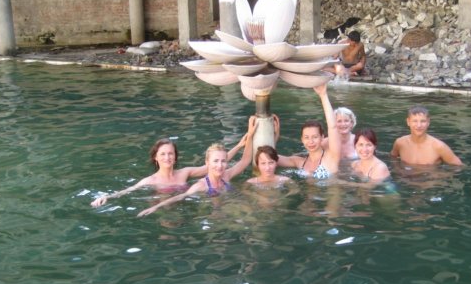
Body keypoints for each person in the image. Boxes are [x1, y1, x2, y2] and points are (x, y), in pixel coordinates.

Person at [137, 117, 257, 217]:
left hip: (229, 208)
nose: (219, 165)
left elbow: (245, 160)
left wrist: (250, 135)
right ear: (207, 163)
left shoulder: (226, 175)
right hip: (213, 215)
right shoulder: (200, 186)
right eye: (215, 161)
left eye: (223, 162)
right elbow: (181, 196)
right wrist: (156, 207)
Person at [90, 136, 247, 207]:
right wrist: (106, 197)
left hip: (186, 206)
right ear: (156, 157)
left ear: (175, 157)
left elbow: (215, 163)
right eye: (163, 154)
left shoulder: (185, 173)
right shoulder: (150, 181)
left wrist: (239, 146)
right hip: (164, 209)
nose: (167, 157)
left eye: (170, 153)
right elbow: (127, 191)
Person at [277, 84, 341, 179]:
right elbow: (269, 158)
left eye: (315, 137)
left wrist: (323, 95)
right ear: (302, 139)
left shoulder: (331, 158)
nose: (311, 141)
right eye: (306, 137)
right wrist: (275, 138)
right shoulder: (299, 162)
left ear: (322, 138)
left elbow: (333, 127)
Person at [390, 106, 463, 166]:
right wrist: (398, 170)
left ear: (428, 122)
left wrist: (440, 175)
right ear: (408, 122)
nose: (419, 125)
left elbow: (459, 167)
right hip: (405, 178)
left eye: (423, 121)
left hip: (429, 179)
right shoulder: (400, 143)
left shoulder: (439, 147)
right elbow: (393, 159)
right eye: (415, 121)